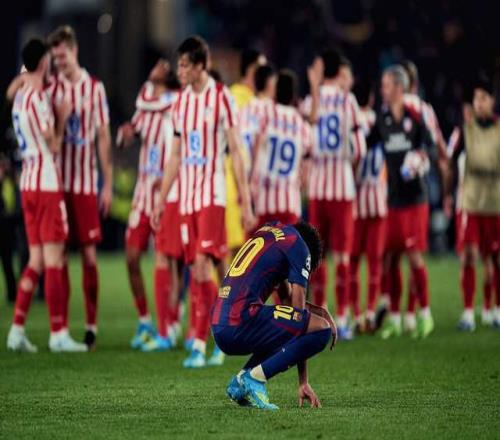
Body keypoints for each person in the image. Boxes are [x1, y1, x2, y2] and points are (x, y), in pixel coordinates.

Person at [152, 35, 255, 368]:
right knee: (199, 270)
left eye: (184, 65)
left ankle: (198, 343)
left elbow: (236, 150)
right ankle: (228, 330)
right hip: (187, 199)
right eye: (179, 65)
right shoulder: (181, 103)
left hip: (212, 195)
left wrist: (245, 199)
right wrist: (161, 199)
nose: (179, 71)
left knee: (200, 266)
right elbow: (175, 155)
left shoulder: (222, 98)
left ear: (199, 66)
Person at [6, 38, 86, 352]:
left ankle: (16, 330)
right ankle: (58, 334)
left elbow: (11, 91)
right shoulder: (38, 98)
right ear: (43, 63)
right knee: (53, 260)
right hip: (46, 184)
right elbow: (53, 144)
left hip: (27, 183)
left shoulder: (19, 96)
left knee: (36, 259)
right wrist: (63, 117)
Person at [211, 221, 336, 409]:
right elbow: (299, 318)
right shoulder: (299, 247)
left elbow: (288, 307)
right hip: (240, 320)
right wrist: (303, 381)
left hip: (219, 324)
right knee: (322, 330)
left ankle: (240, 382)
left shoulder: (273, 233)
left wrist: (321, 311)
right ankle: (255, 379)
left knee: (283, 326)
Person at [46, 25, 113, 350]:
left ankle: (90, 325)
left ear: (74, 51)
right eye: (55, 58)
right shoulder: (52, 87)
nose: (59, 62)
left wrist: (107, 184)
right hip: (58, 184)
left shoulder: (94, 88)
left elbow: (103, 137)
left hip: (85, 185)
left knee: (88, 255)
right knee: (58, 255)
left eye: (62, 56)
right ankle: (60, 328)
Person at [118, 59, 183, 351]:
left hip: (167, 194)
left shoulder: (174, 100)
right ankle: (145, 319)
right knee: (132, 256)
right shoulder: (146, 100)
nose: (157, 67)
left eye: (162, 65)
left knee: (170, 261)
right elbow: (134, 128)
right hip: (143, 193)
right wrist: (127, 134)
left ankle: (171, 321)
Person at [302, 48, 366, 340]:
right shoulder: (347, 100)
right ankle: (342, 317)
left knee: (318, 255)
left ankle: (321, 316)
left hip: (318, 188)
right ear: (338, 71)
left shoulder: (310, 101)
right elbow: (360, 148)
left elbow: (305, 143)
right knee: (342, 255)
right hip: (342, 188)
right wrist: (349, 169)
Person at [369, 65, 436, 339]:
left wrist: (419, 159)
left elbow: (429, 146)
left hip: (415, 199)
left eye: (387, 85)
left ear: (399, 87)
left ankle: (425, 314)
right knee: (390, 257)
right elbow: (368, 142)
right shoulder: (382, 119)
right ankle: (395, 319)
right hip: (393, 199)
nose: (383, 90)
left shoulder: (415, 115)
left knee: (414, 255)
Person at [448, 78, 500, 330]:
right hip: (470, 203)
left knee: (496, 259)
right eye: (475, 99)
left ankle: (496, 308)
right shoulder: (463, 130)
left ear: (492, 101)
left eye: (483, 98)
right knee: (469, 256)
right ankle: (468, 311)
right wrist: (448, 195)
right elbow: (449, 162)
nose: (478, 103)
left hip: (495, 203)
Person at [349, 82, 387, 332]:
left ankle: (356, 314)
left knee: (352, 261)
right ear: (371, 99)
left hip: (356, 200)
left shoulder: (353, 121)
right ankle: (372, 312)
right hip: (378, 199)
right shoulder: (379, 120)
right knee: (375, 261)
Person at [251, 69, 310, 228]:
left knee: (261, 244)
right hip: (290, 200)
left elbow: (256, 148)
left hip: (265, 199)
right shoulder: (300, 123)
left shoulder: (267, 114)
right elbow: (305, 161)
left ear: (276, 91)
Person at [238, 64, 276, 159]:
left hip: (242, 164)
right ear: (270, 83)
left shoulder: (243, 110)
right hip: (261, 165)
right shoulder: (274, 111)